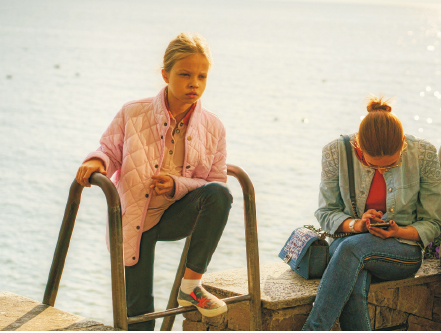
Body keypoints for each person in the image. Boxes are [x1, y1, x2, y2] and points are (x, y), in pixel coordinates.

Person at [76, 32, 232, 331]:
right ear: (165, 74)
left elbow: (214, 182)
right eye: (185, 74)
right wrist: (96, 162)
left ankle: (191, 286)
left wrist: (178, 185)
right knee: (138, 311)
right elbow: (109, 149)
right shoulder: (133, 112)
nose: (194, 83)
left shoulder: (214, 127)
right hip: (135, 217)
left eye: (201, 76)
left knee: (220, 195)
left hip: (177, 214)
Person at [302, 96, 441, 331]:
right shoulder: (336, 152)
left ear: (403, 146)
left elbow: (433, 222)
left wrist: (400, 231)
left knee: (348, 250)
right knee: (353, 275)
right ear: (359, 146)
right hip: (349, 243)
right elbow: (326, 212)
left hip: (402, 250)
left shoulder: (423, 154)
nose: (381, 170)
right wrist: (358, 225)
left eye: (389, 165)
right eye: (374, 165)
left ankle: (314, 329)